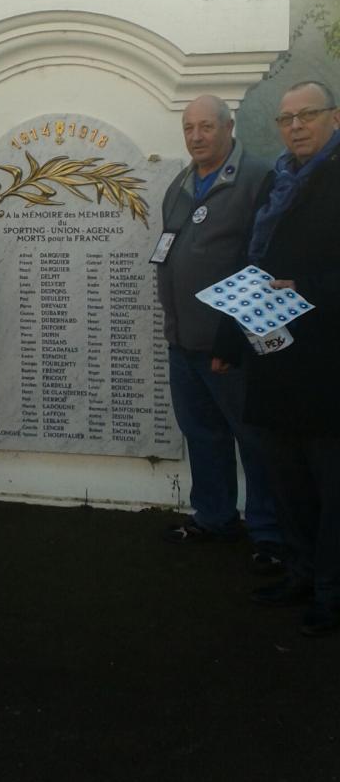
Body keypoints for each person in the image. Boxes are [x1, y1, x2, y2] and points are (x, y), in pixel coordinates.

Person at [225, 82, 340, 635]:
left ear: (334, 117)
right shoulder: (279, 178)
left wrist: (309, 289)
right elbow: (257, 257)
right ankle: (300, 572)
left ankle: (331, 590)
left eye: (308, 115)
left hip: (325, 360)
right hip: (275, 355)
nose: (295, 126)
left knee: (329, 482)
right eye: (286, 118)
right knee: (289, 477)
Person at [156, 94, 282, 566]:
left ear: (229, 128)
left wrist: (235, 336)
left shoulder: (258, 179)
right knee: (202, 434)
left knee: (254, 439)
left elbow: (262, 262)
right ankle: (214, 517)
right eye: (189, 128)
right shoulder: (181, 184)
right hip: (184, 342)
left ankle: (270, 534)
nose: (196, 137)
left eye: (206, 127)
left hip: (231, 344)